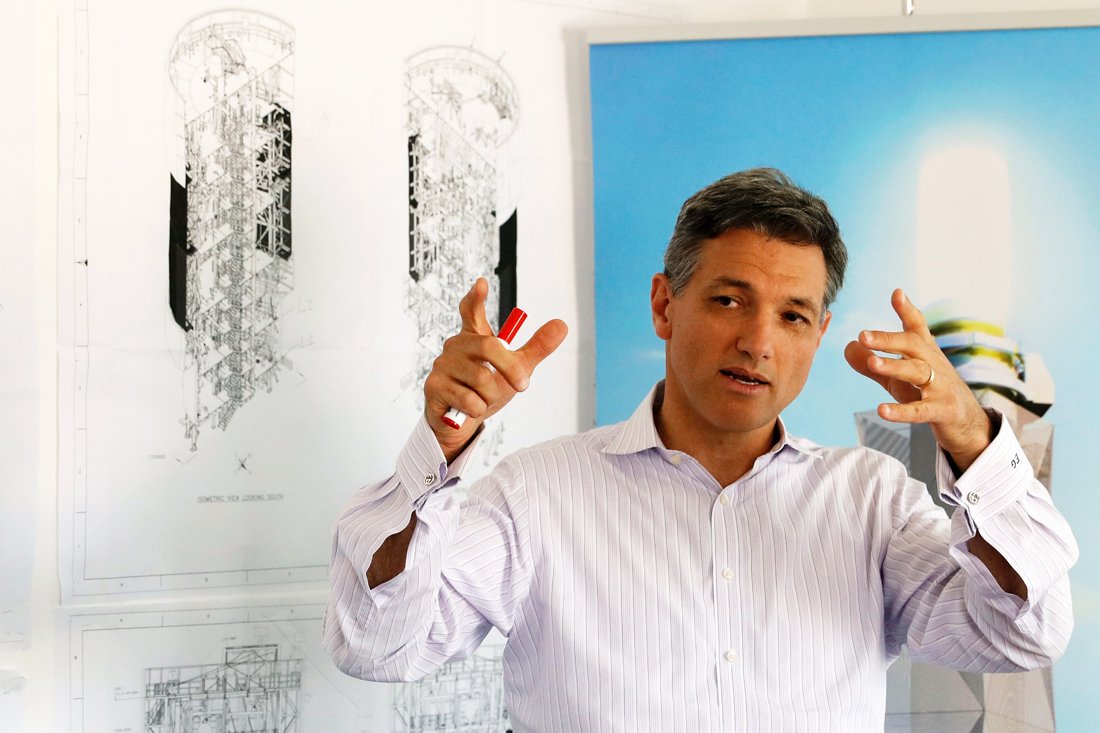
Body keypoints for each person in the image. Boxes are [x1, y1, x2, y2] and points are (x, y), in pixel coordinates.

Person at [324, 168, 1076, 732]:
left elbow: (1024, 630)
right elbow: (381, 646)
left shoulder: (870, 499)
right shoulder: (537, 494)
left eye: (792, 315)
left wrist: (974, 443)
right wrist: (439, 450)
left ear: (818, 335)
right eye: (728, 299)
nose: (757, 341)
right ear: (664, 304)